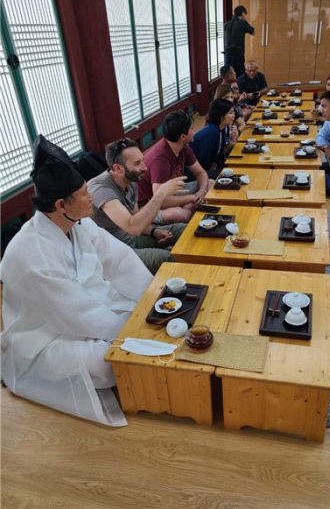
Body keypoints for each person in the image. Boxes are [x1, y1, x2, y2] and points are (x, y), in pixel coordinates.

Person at [0, 135, 153, 427]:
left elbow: (119, 259)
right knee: (108, 362)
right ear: (61, 205)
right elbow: (71, 312)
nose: (92, 196)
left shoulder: (78, 223)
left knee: (143, 314)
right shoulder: (28, 254)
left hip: (87, 311)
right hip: (44, 338)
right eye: (84, 194)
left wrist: (152, 296)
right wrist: (130, 333)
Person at [87, 138, 186, 275]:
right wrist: (161, 194)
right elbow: (133, 226)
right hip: (115, 252)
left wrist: (154, 231)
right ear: (118, 168)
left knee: (183, 230)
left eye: (143, 161)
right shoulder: (100, 189)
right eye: (138, 163)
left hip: (131, 238)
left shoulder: (131, 180)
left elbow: (136, 218)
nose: (145, 167)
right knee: (166, 259)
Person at [136, 111, 210, 224]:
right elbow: (160, 200)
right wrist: (191, 198)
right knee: (181, 214)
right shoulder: (160, 159)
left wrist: (202, 190)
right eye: (192, 129)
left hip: (172, 193)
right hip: (149, 204)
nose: (194, 131)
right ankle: (187, 210)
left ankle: (188, 207)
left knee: (210, 184)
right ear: (183, 136)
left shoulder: (183, 146)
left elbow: (200, 173)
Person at [190, 99, 237, 179]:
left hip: (209, 167)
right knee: (231, 174)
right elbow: (204, 162)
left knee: (234, 168)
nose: (234, 115)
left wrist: (232, 141)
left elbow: (220, 154)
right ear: (221, 116)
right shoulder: (211, 132)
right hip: (197, 173)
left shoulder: (220, 129)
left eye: (233, 112)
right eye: (230, 113)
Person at [223, 5, 255, 77]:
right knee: (239, 76)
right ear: (243, 13)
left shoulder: (226, 24)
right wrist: (245, 20)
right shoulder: (242, 23)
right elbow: (253, 32)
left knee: (228, 76)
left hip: (227, 55)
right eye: (245, 15)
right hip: (237, 55)